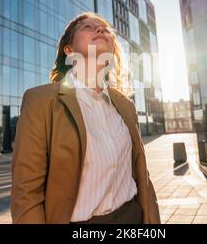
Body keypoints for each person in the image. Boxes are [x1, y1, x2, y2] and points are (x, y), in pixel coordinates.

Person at [10, 12, 160, 224]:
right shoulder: (41, 101)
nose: (100, 30)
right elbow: (26, 195)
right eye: (88, 27)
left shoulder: (125, 106)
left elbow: (141, 176)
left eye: (106, 29)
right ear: (70, 51)